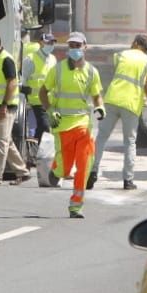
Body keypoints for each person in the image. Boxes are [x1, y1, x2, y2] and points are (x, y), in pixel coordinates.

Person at [40, 31, 103, 217]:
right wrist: (50, 110)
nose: (75, 49)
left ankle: (76, 206)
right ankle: (56, 170)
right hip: (62, 126)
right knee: (65, 168)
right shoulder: (58, 70)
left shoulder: (92, 72)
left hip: (84, 126)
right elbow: (43, 92)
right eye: (72, 46)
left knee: (84, 167)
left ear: (85, 47)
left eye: (78, 46)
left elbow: (97, 95)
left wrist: (100, 107)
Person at [94, 34, 147, 190]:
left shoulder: (120, 55)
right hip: (131, 105)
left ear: (135, 43)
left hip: (112, 100)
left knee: (101, 137)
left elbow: (116, 71)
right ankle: (128, 180)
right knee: (129, 143)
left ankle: (92, 172)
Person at [0, 30, 29, 184]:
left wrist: (4, 105)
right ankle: (22, 171)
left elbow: (12, 83)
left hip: (5, 107)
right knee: (7, 142)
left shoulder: (6, 59)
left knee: (1, 143)